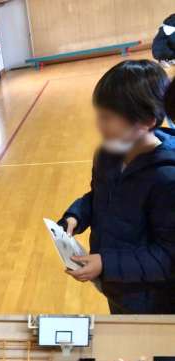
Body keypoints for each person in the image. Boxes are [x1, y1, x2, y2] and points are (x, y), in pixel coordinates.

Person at [58, 59, 175, 314]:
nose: (99, 125)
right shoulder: (107, 154)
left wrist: (106, 263)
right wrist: (76, 216)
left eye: (109, 117)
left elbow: (169, 257)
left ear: (146, 120)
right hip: (117, 286)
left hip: (154, 302)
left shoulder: (167, 178)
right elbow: (99, 196)